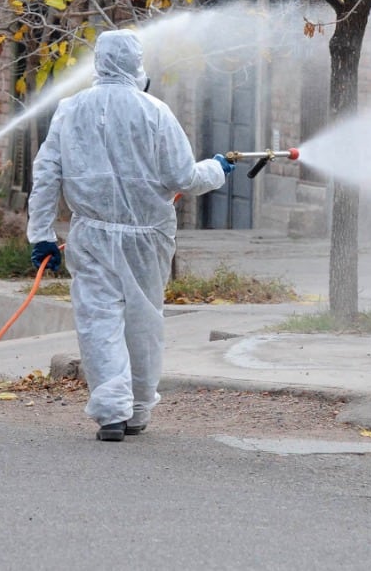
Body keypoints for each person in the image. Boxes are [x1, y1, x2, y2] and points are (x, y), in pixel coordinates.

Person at [27, 29, 234, 441]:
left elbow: (46, 175)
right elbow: (182, 176)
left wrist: (41, 234)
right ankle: (137, 409)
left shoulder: (70, 110)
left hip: (91, 236)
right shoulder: (155, 111)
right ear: (137, 64)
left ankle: (111, 412)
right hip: (147, 237)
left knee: (98, 319)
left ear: (98, 62)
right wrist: (215, 169)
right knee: (142, 321)